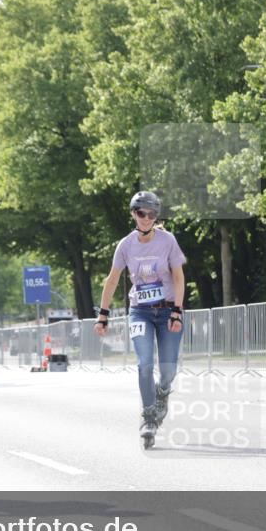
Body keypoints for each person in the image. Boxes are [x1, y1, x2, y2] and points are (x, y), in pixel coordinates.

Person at [94, 191, 185, 449]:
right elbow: (112, 280)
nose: (146, 218)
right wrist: (103, 315)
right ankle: (148, 418)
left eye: (152, 214)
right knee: (144, 364)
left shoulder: (168, 241)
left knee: (167, 371)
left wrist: (177, 310)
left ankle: (162, 393)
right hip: (140, 311)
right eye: (141, 213)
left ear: (156, 217)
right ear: (134, 214)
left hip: (168, 310)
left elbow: (178, 278)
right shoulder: (125, 245)